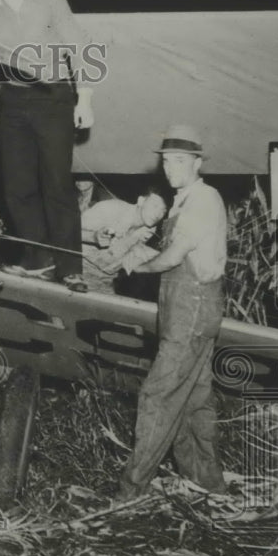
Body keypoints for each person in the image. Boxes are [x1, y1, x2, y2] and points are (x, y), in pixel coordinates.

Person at [0, 0, 95, 292]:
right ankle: (39, 260)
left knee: (56, 184)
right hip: (13, 102)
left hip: (53, 97)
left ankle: (70, 268)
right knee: (17, 187)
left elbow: (79, 46)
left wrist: (84, 98)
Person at [116, 125, 228, 501]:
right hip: (188, 310)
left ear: (197, 163)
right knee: (194, 403)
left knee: (157, 396)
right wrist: (134, 252)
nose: (170, 168)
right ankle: (208, 485)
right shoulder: (183, 201)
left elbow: (176, 257)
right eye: (166, 161)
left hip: (192, 309)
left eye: (180, 161)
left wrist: (138, 267)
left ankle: (131, 493)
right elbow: (181, 256)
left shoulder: (203, 199)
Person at [80, 188, 167, 293]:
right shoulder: (110, 209)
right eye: (155, 206)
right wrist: (93, 237)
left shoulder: (149, 230)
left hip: (105, 280)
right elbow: (69, 233)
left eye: (163, 211)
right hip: (79, 271)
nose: (158, 214)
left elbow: (124, 257)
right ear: (141, 201)